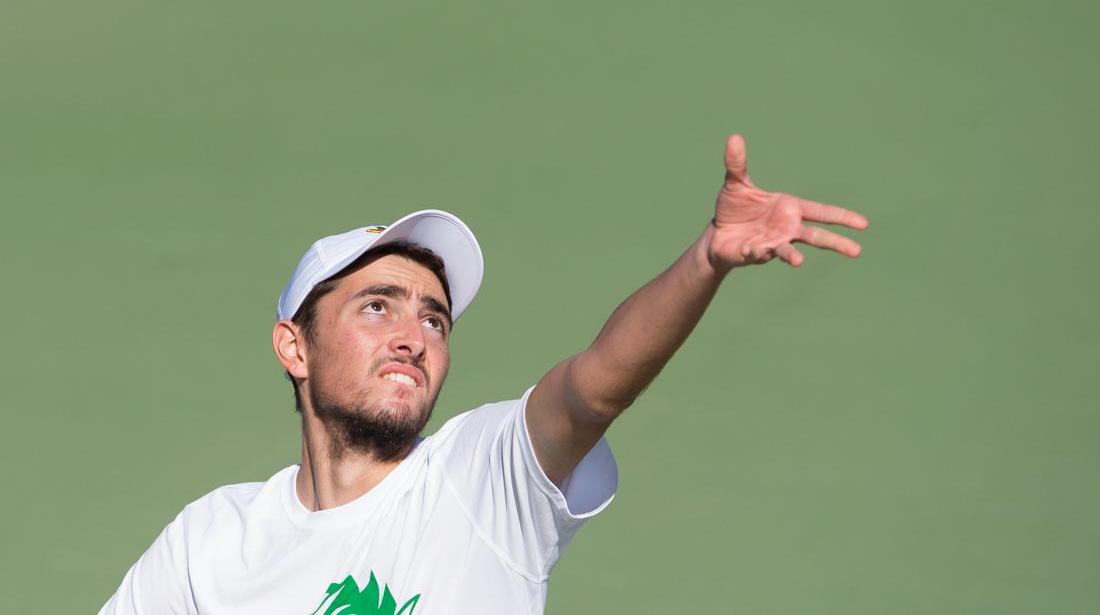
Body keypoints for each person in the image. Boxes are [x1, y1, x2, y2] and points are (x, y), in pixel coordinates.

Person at [99, 135, 867, 615]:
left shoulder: (480, 477)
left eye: (434, 319)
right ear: (293, 348)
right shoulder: (211, 542)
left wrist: (705, 260)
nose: (412, 336)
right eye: (376, 307)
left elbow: (592, 387)